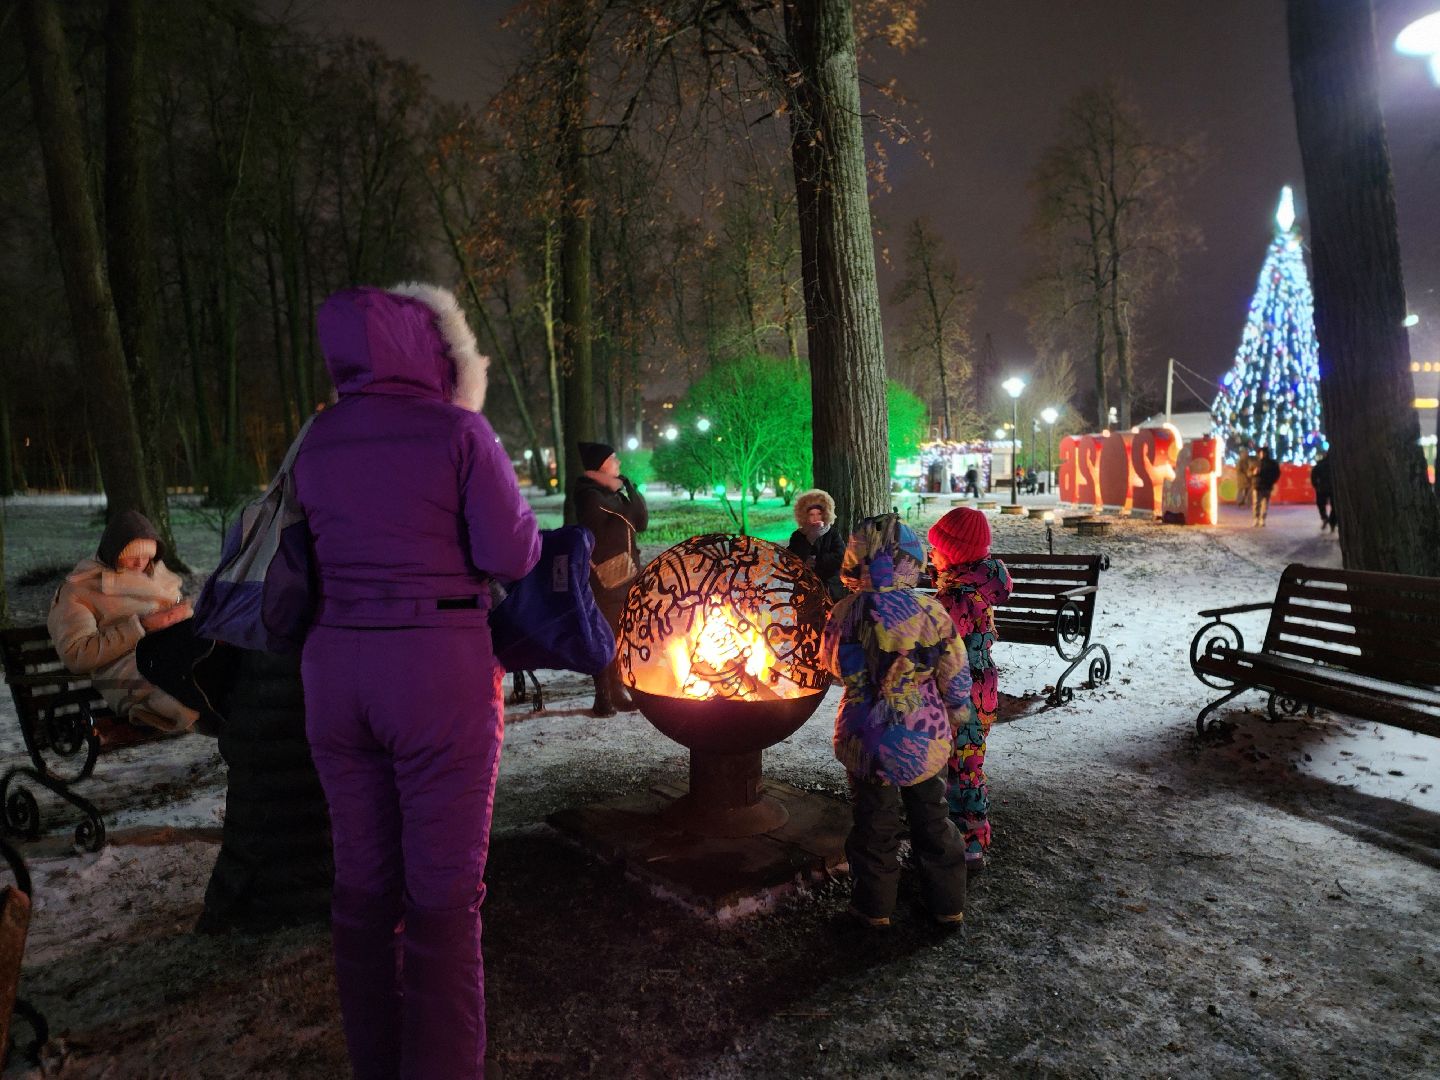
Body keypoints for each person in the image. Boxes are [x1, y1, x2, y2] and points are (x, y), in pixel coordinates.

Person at [293, 283, 540, 1080]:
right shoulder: (458, 433)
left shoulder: (318, 440)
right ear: (440, 354)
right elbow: (510, 553)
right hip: (436, 670)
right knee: (442, 899)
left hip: (334, 670)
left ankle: (377, 1060)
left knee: (362, 887)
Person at [820, 514, 971, 929]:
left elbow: (832, 664)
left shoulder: (845, 612)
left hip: (867, 737)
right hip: (925, 736)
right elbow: (954, 671)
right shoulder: (932, 611)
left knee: (874, 827)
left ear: (856, 557)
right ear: (913, 559)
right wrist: (957, 711)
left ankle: (874, 911)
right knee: (933, 820)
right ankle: (947, 905)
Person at [47, 510, 198, 733]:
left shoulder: (161, 579)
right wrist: (141, 626)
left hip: (169, 654)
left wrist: (180, 616)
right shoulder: (80, 588)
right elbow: (76, 653)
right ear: (113, 551)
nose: (140, 562)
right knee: (182, 689)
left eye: (147, 555)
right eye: (131, 554)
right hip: (124, 671)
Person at [927, 507, 1014, 871]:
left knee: (963, 766)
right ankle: (961, 830)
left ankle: (971, 841)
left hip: (961, 695)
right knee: (966, 761)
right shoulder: (975, 586)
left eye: (936, 548)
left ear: (954, 553)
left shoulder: (957, 598)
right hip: (981, 689)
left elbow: (936, 644)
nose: (931, 554)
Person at [573, 440, 649, 717]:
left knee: (622, 632)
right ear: (602, 464)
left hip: (627, 572)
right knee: (605, 634)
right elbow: (604, 517)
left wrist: (630, 487)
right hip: (605, 576)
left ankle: (617, 687)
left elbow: (640, 520)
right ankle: (603, 694)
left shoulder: (615, 493)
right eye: (613, 459)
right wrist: (621, 497)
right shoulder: (587, 493)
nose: (618, 463)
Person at [787, 488, 845, 601]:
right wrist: (809, 542)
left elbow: (840, 557)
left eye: (819, 514)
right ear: (805, 515)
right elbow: (791, 558)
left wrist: (817, 561)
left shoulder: (832, 533)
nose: (815, 518)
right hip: (805, 586)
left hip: (830, 587)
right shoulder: (798, 535)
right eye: (811, 514)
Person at [1253, 446, 1281, 527]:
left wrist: (1272, 481)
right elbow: (1249, 471)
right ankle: (1256, 518)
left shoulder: (1272, 463)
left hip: (1266, 486)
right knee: (1256, 503)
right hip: (1257, 485)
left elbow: (1277, 474)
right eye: (1260, 453)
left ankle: (1262, 519)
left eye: (1263, 453)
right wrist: (1253, 473)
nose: (1262, 454)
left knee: (1264, 504)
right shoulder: (1256, 462)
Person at [1310, 450, 1336, 532]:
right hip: (1332, 488)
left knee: (1321, 504)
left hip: (1322, 488)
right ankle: (1332, 522)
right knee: (1335, 506)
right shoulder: (1335, 466)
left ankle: (1324, 518)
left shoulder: (1320, 465)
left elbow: (1313, 476)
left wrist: (1316, 486)